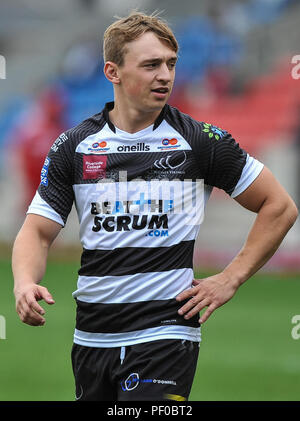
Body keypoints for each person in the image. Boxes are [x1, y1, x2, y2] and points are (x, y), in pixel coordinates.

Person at [12, 11, 298, 402]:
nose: (165, 75)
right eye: (151, 65)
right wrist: (24, 282)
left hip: (166, 334)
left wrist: (230, 278)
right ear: (113, 72)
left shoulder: (200, 141)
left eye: (171, 64)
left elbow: (279, 206)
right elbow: (37, 230)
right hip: (92, 337)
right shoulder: (74, 146)